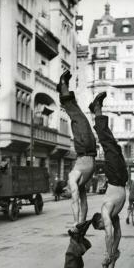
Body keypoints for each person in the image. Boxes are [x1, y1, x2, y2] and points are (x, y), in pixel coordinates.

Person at [78, 91, 128, 268]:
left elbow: (109, 232)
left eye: (99, 226)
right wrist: (112, 256)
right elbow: (116, 234)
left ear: (99, 219)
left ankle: (96, 110)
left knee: (108, 143)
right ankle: (96, 111)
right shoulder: (112, 215)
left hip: (116, 177)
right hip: (119, 177)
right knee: (112, 144)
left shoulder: (107, 208)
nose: (102, 227)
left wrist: (108, 252)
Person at [57, 70, 97, 226]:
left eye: (65, 194)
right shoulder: (79, 186)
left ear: (65, 188)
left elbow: (75, 202)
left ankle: (63, 86)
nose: (69, 195)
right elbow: (84, 204)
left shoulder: (72, 179)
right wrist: (81, 223)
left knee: (77, 117)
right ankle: (64, 89)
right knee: (79, 115)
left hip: (84, 147)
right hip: (89, 148)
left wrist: (74, 222)